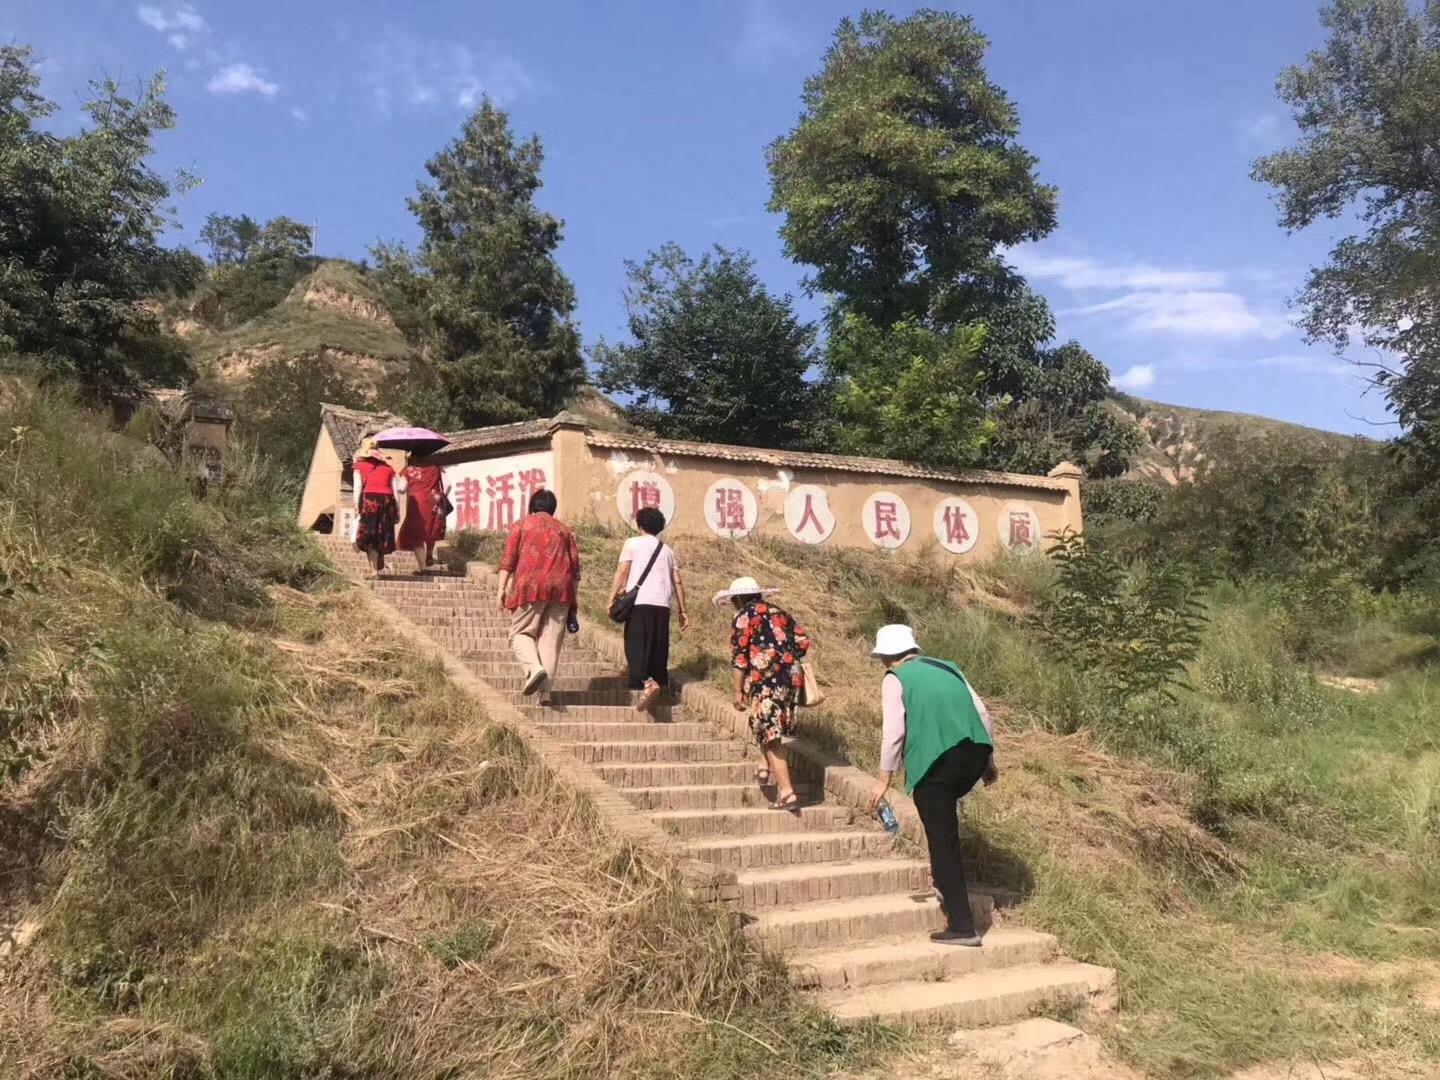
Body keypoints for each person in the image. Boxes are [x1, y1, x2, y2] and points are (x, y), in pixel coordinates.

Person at [865, 624, 998, 948]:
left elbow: (894, 732)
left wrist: (884, 780)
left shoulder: (895, 679)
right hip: (975, 754)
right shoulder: (947, 667)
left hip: (938, 762)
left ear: (886, 656)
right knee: (945, 823)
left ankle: (963, 926)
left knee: (942, 840)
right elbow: (982, 712)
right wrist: (989, 760)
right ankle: (944, 881)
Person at [715, 576, 810, 811]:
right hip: (791, 679)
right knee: (768, 726)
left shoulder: (743, 617)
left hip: (766, 680)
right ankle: (763, 765)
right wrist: (782, 656)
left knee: (770, 735)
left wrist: (737, 690)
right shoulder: (779, 612)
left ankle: (787, 792)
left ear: (737, 599)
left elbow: (739, 658)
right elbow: (802, 642)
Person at [496, 489, 581, 704]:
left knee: (520, 633)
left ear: (532, 506)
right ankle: (545, 694)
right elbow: (575, 570)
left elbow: (508, 559)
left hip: (530, 585)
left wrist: (501, 589)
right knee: (550, 642)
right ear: (553, 508)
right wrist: (574, 600)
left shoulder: (522, 524)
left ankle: (533, 668)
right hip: (562, 589)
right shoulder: (566, 531)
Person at [607, 507, 690, 718]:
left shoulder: (632, 544)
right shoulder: (667, 550)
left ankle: (647, 683)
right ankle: (660, 690)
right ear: (659, 527)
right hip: (662, 605)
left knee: (635, 646)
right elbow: (677, 581)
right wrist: (682, 610)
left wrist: (610, 598)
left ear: (640, 525)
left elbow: (622, 571)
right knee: (657, 648)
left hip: (640, 603)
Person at [352, 437, 406, 579]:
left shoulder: (359, 466)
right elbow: (395, 490)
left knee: (369, 535)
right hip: (387, 501)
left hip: (370, 500)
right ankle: (379, 555)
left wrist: (356, 506)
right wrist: (398, 510)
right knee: (382, 533)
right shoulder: (389, 468)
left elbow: (357, 487)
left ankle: (374, 571)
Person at [398, 453, 451, 573]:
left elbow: (401, 489)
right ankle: (429, 553)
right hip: (434, 501)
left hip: (416, 503)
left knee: (417, 535)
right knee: (431, 528)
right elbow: (448, 485)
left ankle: (422, 567)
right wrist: (441, 497)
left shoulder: (409, 469)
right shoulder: (437, 467)